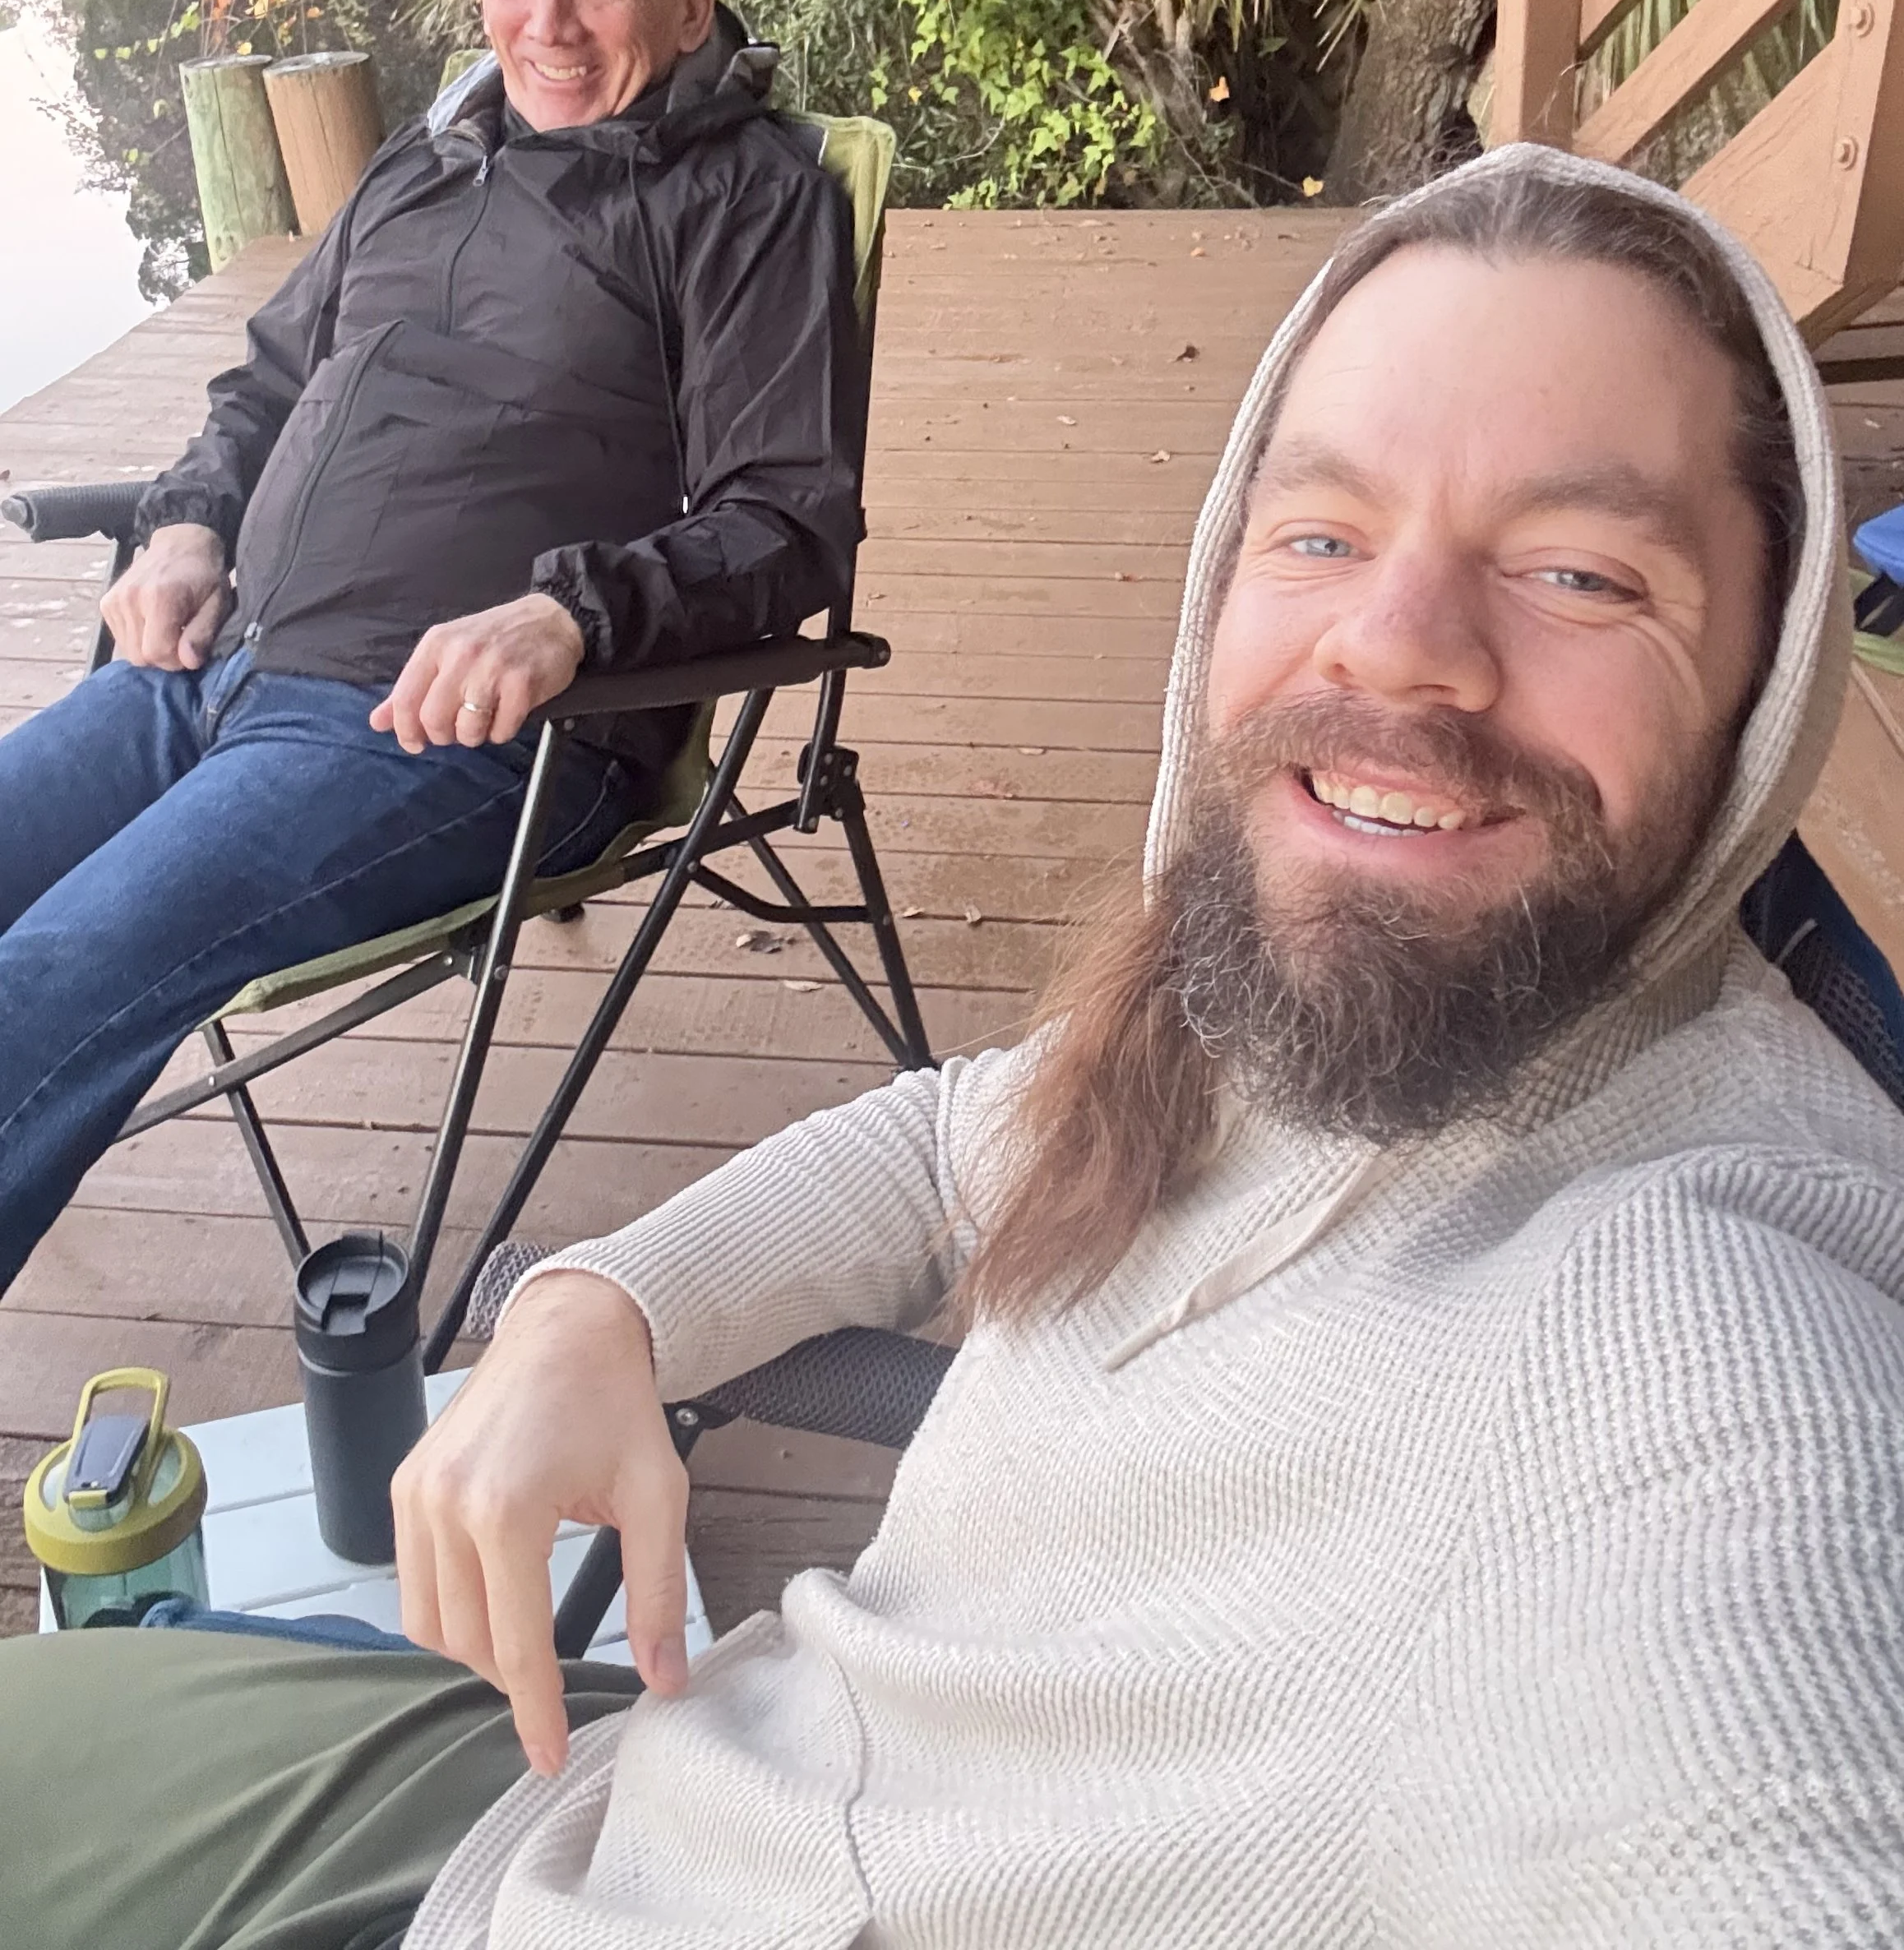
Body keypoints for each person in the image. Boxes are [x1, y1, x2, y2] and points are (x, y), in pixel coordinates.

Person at [6, 142, 1904, 1948]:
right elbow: (948, 1143)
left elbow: (1768, 1768)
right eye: (1319, 528)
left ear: (1766, 678)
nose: (1399, 643)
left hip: (430, 742)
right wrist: (605, 1302)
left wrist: (567, 614)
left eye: (1582, 570)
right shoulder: (1288, 1003)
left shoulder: (1699, 1321)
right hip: (625, 1779)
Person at [0, 0, 864, 1296]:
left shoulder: (746, 197)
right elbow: (266, 386)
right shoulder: (422, 160)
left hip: (426, 725)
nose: (550, 23)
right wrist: (190, 521)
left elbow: (786, 522)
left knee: (39, 993)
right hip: (201, 671)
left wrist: (568, 618)